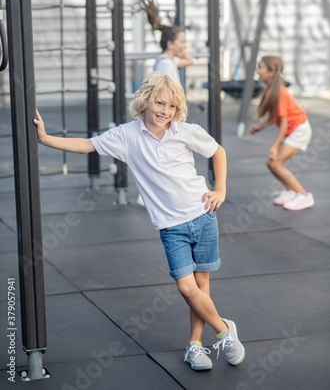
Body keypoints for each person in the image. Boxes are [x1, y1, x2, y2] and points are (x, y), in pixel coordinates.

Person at [34, 71, 245, 371]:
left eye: (171, 106)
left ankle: (194, 345)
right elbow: (88, 145)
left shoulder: (184, 130)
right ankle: (224, 330)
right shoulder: (127, 136)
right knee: (187, 288)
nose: (165, 111)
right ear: (145, 101)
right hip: (172, 227)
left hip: (203, 214)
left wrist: (220, 189)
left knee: (201, 287)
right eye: (159, 103)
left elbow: (218, 151)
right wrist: (45, 139)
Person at [249, 56, 314, 210]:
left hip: (300, 130)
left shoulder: (279, 92)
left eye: (260, 67)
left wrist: (275, 146)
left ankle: (304, 196)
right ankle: (290, 191)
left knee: (276, 163)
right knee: (271, 164)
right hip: (295, 130)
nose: (257, 71)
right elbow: (275, 117)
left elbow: (284, 122)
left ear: (271, 72)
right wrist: (261, 127)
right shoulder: (271, 92)